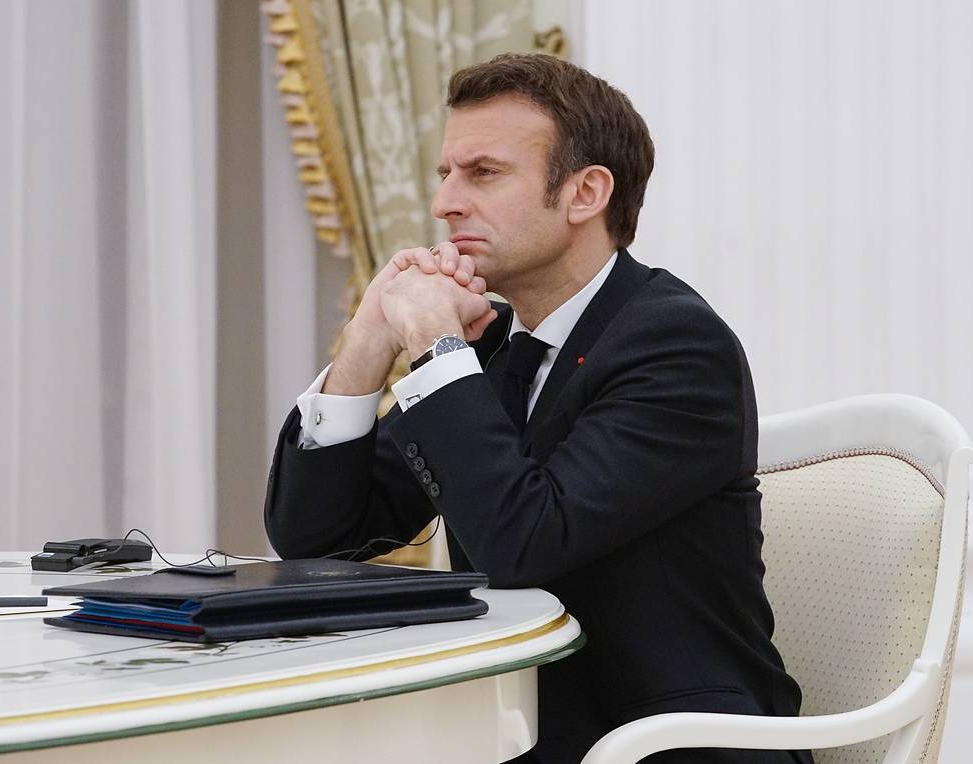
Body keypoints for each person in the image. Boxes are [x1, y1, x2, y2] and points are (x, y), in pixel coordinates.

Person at [263, 53, 811, 764]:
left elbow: (523, 542)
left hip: (668, 746)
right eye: (445, 174)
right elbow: (317, 537)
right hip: (514, 738)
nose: (445, 204)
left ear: (585, 193)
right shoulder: (491, 350)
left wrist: (432, 345)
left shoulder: (676, 344)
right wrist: (368, 342)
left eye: (482, 173)